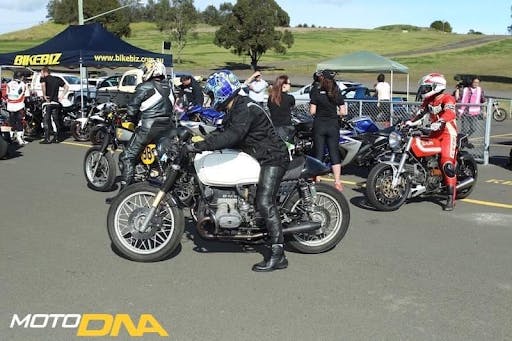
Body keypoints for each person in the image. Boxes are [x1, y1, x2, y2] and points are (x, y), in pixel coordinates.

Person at [190, 70, 290, 272]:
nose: (210, 98)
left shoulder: (246, 109)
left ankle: (279, 254)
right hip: (257, 155)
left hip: (273, 157)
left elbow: (233, 135)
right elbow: (223, 131)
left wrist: (200, 146)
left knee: (265, 201)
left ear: (223, 91)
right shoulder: (235, 108)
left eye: (212, 93)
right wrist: (197, 139)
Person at [108, 60, 174, 202]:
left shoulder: (144, 87)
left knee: (126, 157)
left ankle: (123, 196)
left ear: (151, 71)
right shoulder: (169, 87)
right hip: (168, 128)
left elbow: (132, 109)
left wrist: (130, 117)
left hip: (149, 128)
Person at [405, 73, 458, 211]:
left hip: (448, 133)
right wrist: (409, 122)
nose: (424, 90)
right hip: (435, 132)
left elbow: (450, 113)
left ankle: (450, 197)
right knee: (421, 151)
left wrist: (441, 121)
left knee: (446, 163)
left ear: (436, 87)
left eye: (426, 88)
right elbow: (420, 113)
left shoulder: (448, 98)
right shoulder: (429, 101)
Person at [309, 69, 346, 192]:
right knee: (334, 152)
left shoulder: (316, 91)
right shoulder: (335, 91)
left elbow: (312, 111)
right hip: (333, 125)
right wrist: (336, 114)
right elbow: (343, 111)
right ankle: (337, 181)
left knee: (318, 152)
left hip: (319, 124)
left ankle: (317, 179)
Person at [40, 66, 68, 144]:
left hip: (47, 102)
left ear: (45, 72)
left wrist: (44, 95)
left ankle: (47, 138)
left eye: (41, 72)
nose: (41, 74)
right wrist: (62, 96)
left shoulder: (43, 78)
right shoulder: (57, 79)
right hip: (55, 102)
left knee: (46, 119)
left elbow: (43, 85)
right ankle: (56, 138)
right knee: (55, 119)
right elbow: (66, 87)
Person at [267, 74, 295, 142]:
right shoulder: (290, 98)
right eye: (289, 83)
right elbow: (292, 107)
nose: (290, 85)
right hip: (286, 127)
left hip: (273, 128)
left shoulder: (271, 98)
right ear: (283, 85)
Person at [6, 72, 29, 145]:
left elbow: (7, 94)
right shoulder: (23, 84)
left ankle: (10, 137)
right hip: (19, 105)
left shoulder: (8, 84)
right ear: (21, 77)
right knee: (20, 122)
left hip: (10, 105)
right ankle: (20, 139)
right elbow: (27, 95)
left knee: (11, 122)